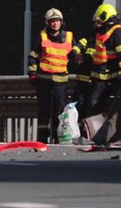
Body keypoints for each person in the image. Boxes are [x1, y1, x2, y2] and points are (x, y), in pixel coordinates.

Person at [27, 8, 84, 144]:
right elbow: (33, 56)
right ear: (47, 23)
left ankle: (58, 136)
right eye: (52, 21)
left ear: (61, 22)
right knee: (44, 109)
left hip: (61, 81)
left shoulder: (69, 36)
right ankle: (42, 137)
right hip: (44, 79)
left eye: (57, 21)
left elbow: (77, 48)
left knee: (59, 110)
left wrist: (75, 52)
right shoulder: (41, 36)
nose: (55, 24)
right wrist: (32, 73)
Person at [80, 3, 121, 144]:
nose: (97, 24)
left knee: (117, 105)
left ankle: (116, 135)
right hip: (100, 78)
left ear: (106, 18)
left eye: (99, 21)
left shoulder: (118, 31)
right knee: (94, 104)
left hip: (114, 77)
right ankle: (96, 136)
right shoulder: (100, 32)